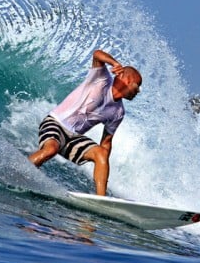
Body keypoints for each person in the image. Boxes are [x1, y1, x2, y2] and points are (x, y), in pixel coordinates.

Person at [28, 49, 142, 196]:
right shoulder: (101, 79)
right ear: (126, 79)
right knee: (51, 149)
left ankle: (101, 199)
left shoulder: (118, 112)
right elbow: (97, 54)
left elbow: (106, 143)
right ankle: (18, 170)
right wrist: (114, 63)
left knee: (101, 153)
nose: (138, 91)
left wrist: (102, 163)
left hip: (73, 139)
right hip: (55, 123)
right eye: (137, 85)